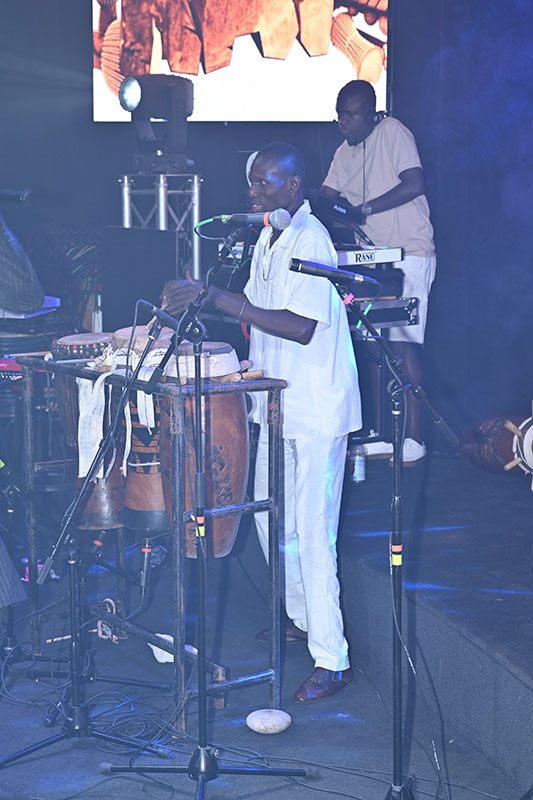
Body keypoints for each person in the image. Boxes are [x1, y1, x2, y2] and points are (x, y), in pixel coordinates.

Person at [161, 141, 362, 702]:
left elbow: (300, 326)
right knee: (275, 527)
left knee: (313, 533)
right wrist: (201, 304)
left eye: (264, 183)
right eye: (251, 181)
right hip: (273, 405)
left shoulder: (312, 238)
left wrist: (216, 297)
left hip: (315, 409)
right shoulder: (268, 238)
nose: (253, 192)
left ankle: (334, 660)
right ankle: (301, 619)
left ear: (293, 186)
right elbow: (255, 312)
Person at [321, 79, 436, 466]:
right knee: (371, 342)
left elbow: (414, 183)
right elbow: (326, 198)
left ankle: (415, 439)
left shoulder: (394, 132)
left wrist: (364, 210)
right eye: (340, 115)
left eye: (352, 115)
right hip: (372, 259)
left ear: (371, 114)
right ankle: (382, 435)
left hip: (410, 252)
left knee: (403, 344)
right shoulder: (343, 153)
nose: (344, 122)